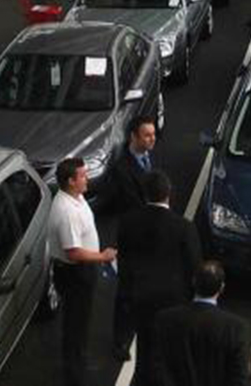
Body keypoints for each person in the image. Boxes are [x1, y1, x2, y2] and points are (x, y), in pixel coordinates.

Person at [117, 170, 201, 386]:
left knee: (145, 351)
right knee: (171, 356)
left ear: (145, 195)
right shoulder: (184, 228)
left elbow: (124, 266)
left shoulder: (128, 222)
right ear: (169, 194)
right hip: (174, 301)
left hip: (140, 298)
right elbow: (194, 267)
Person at [48, 158, 117, 386]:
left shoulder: (74, 197)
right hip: (75, 273)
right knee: (76, 324)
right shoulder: (67, 212)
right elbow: (74, 253)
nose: (87, 178)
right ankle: (74, 375)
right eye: (83, 176)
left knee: (79, 320)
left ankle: (77, 360)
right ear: (70, 181)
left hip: (79, 271)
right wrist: (103, 256)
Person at [153, 261, 249, 386]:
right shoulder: (236, 328)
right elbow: (239, 377)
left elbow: (158, 367)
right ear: (222, 288)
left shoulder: (165, 319)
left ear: (193, 282)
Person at [109, 115, 157, 361]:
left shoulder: (147, 158)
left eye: (153, 134)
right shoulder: (122, 169)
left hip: (150, 236)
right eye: (147, 135)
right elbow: (133, 205)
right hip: (133, 239)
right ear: (134, 137)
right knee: (127, 293)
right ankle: (120, 341)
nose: (152, 139)